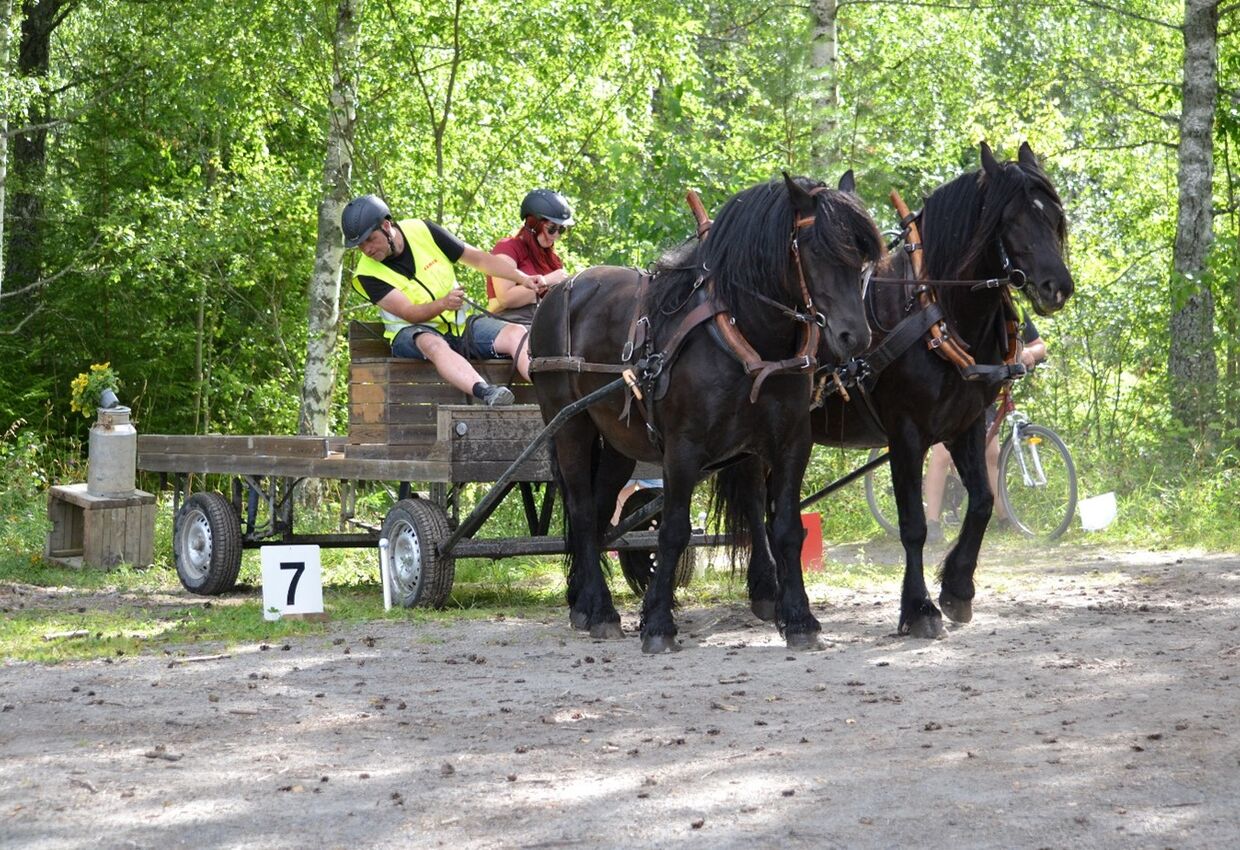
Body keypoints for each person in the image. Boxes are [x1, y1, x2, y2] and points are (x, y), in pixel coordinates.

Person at [342, 194, 545, 407]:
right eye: (360, 246)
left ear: (386, 225)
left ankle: (551, 390)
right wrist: (443, 304)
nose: (366, 249)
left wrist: (523, 278)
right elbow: (409, 313)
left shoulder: (422, 230)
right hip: (411, 333)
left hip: (460, 325)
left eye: (370, 239)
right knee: (433, 343)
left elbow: (478, 258)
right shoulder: (365, 275)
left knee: (516, 333)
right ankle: (487, 392)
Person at [924, 314, 1047, 541]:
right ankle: (931, 523)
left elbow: (1040, 346)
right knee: (942, 454)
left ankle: (1003, 518)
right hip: (953, 391)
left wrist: (1029, 353)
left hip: (986, 392)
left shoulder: (1013, 312)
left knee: (992, 454)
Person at [485, 189, 575, 325]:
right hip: (507, 323)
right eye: (552, 228)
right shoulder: (508, 247)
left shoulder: (553, 260)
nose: (556, 235)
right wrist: (546, 280)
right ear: (534, 225)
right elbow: (505, 298)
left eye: (561, 229)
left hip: (542, 324)